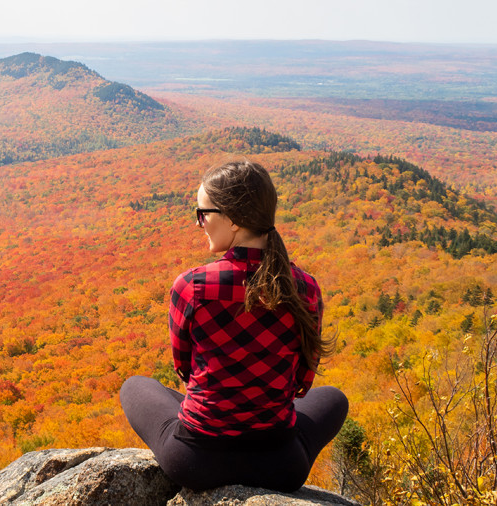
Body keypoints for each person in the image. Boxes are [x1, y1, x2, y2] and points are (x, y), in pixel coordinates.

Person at [119, 160, 347, 492]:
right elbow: (302, 383)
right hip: (280, 465)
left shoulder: (193, 285)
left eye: (203, 214)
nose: (200, 223)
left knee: (134, 386)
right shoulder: (305, 288)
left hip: (196, 461)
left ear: (233, 220)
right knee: (334, 398)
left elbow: (185, 370)